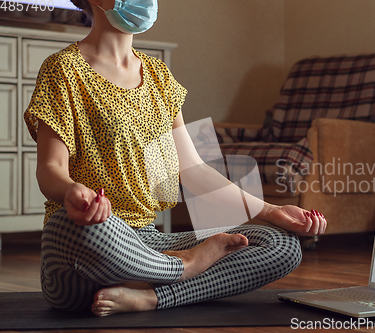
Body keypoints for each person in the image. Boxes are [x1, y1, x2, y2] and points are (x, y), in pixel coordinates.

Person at [24, 0, 327, 317]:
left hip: (148, 243)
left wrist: (273, 211)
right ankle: (185, 266)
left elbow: (193, 170)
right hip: (88, 251)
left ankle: (150, 295)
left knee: (282, 246)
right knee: (68, 226)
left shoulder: (158, 75)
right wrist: (71, 191)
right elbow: (50, 169)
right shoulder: (62, 70)